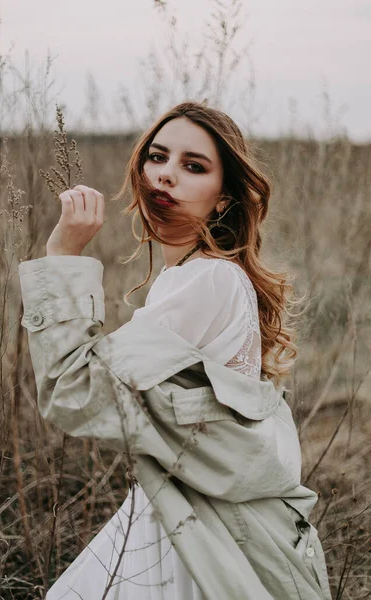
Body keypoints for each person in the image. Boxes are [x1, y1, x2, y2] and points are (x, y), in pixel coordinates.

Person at [18, 101, 333, 599]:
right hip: (187, 515)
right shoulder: (199, 275)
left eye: (193, 167)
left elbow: (73, 392)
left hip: (194, 533)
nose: (165, 177)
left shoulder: (207, 279)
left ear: (224, 198)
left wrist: (63, 256)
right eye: (158, 157)